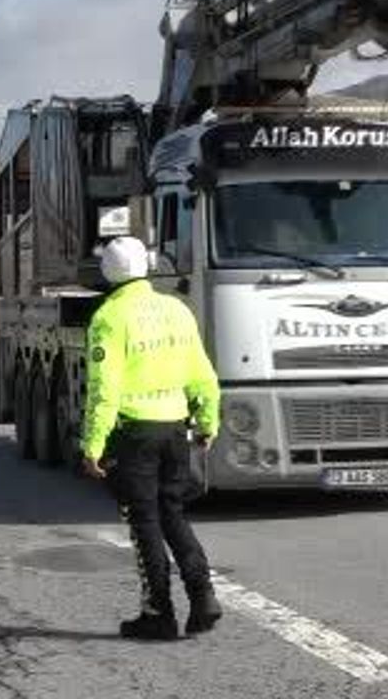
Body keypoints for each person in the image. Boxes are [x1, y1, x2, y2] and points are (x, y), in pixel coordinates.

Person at [81, 236, 223, 641]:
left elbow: (103, 390)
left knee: (144, 523)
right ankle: (203, 596)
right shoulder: (176, 309)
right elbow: (203, 375)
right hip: (176, 428)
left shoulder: (109, 316)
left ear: (108, 273)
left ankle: (158, 613)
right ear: (146, 265)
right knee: (174, 513)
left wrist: (92, 446)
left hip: (135, 434)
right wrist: (208, 422)